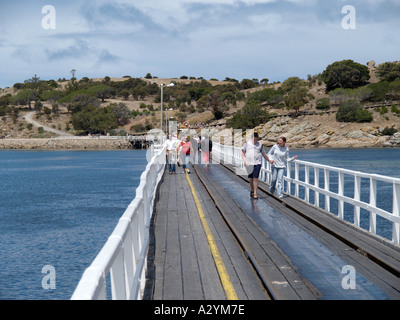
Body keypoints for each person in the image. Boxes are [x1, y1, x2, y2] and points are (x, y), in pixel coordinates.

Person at [241, 132, 273, 199]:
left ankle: (255, 192)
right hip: (249, 163)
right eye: (253, 139)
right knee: (251, 178)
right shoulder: (247, 144)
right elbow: (242, 153)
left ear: (258, 139)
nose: (254, 140)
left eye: (256, 139)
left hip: (257, 163)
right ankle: (252, 189)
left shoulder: (260, 145)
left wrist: (269, 160)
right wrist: (245, 161)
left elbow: (263, 154)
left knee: (255, 177)